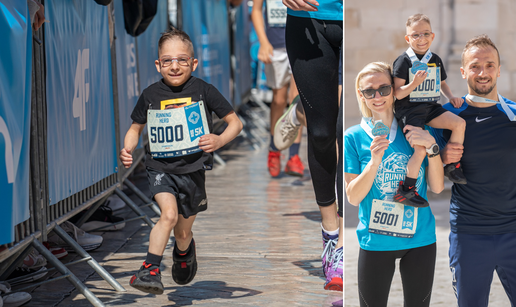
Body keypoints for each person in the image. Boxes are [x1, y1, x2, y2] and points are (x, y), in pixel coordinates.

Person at [120, 28, 243, 294]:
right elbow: (135, 128)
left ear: (193, 62)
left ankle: (184, 251)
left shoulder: (204, 90)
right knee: (169, 215)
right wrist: (128, 148)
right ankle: (150, 269)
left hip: (193, 170)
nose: (174, 66)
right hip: (160, 168)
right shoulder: (151, 95)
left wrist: (219, 140)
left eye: (182, 60)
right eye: (167, 60)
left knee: (183, 232)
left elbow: (236, 123)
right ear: (158, 64)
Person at [345, 62, 444, 306]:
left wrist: (431, 148)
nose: (377, 96)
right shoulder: (354, 136)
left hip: (420, 238)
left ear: (395, 90)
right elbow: (353, 197)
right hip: (375, 240)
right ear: (361, 95)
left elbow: (438, 187)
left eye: (384, 89)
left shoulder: (417, 129)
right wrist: (374, 162)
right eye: (369, 91)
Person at [431, 35, 516, 307]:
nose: (483, 73)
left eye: (490, 65)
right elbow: (426, 172)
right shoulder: (446, 116)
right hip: (468, 235)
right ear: (463, 70)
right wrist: (440, 156)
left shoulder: (513, 114)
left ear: (499, 70)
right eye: (475, 66)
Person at [279, 0, 343, 291]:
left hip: (360, 18)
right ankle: (330, 232)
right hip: (308, 18)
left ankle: (345, 238)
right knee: (321, 133)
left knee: (346, 127)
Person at [392, 13, 467, 208]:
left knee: (459, 123)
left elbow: (441, 83)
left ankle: (452, 165)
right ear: (408, 38)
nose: (421, 39)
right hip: (409, 110)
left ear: (432, 36)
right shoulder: (403, 61)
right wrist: (414, 83)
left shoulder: (434, 59)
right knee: (420, 149)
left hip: (431, 106)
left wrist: (451, 97)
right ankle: (406, 190)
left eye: (425, 34)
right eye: (415, 35)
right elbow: (398, 93)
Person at [250, 0, 305, 178]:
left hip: (299, 44)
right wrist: (263, 42)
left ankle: (294, 155)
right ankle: (274, 149)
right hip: (276, 48)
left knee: (296, 101)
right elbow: (256, 10)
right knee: (279, 100)